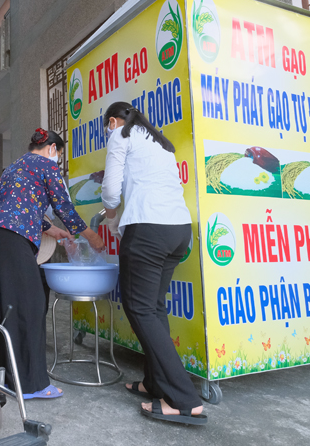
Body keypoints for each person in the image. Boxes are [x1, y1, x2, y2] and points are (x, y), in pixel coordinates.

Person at [0, 128, 105, 399]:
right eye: (58, 154)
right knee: (30, 305)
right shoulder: (47, 165)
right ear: (52, 149)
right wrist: (91, 236)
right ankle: (29, 385)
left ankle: (0, 372)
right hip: (12, 238)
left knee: (5, 306)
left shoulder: (14, 167)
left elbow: (14, 205)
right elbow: (63, 206)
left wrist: (52, 229)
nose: (57, 159)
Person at [101, 102, 207, 425]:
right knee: (154, 308)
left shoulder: (120, 134)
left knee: (140, 308)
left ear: (114, 121)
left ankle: (184, 399)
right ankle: (154, 383)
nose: (108, 130)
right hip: (177, 230)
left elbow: (111, 189)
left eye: (108, 125)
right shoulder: (160, 142)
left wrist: (110, 215)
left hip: (148, 229)